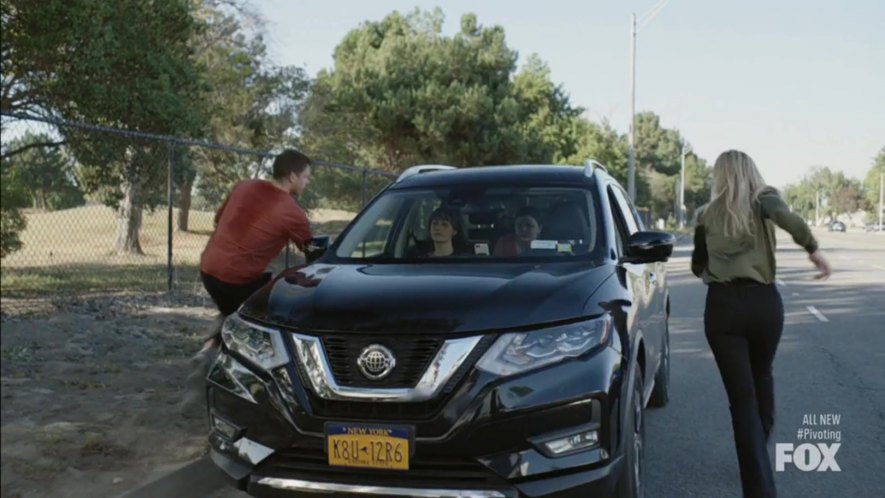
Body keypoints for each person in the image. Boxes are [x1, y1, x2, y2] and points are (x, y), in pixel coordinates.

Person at [691, 150, 831, 498]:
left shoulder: (705, 215)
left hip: (722, 307)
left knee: (741, 400)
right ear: (751, 172)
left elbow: (698, 266)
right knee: (762, 374)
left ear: (719, 176)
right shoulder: (765, 199)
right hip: (764, 304)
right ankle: (758, 453)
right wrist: (813, 250)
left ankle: (757, 480)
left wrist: (718, 269)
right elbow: (790, 220)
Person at [181, 149, 313, 416]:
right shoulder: (292, 212)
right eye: (306, 177)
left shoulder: (244, 186)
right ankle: (222, 374)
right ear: (292, 176)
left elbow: (219, 219)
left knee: (232, 311)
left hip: (208, 269)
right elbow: (312, 251)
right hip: (236, 279)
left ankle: (208, 350)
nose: (308, 182)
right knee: (265, 305)